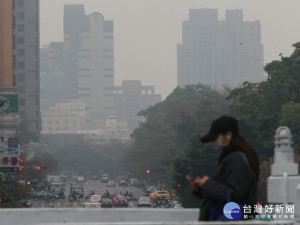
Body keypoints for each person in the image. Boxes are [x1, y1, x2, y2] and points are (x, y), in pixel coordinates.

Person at [187, 115, 259, 221]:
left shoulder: (236, 159)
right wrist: (201, 188)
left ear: (228, 135)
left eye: (216, 138)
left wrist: (207, 184)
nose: (214, 142)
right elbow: (222, 195)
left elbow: (235, 195)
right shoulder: (230, 157)